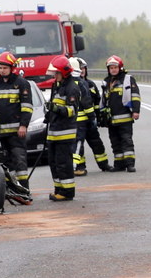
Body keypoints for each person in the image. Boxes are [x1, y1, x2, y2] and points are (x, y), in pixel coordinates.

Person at [0, 51, 34, 188]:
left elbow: (27, 107)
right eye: (0, 67)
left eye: (5, 68)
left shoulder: (22, 83)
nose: (2, 70)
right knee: (5, 164)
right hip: (0, 134)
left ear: (12, 68)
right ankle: (11, 190)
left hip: (17, 133)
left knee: (20, 163)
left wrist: (23, 125)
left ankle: (24, 190)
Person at [44, 56, 79, 201]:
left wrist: (56, 109)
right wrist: (49, 115)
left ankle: (67, 192)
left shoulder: (72, 88)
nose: (54, 76)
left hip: (64, 134)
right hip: (54, 133)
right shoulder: (57, 85)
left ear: (64, 72)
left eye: (56, 73)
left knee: (64, 163)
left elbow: (72, 111)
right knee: (54, 163)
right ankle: (58, 189)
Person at [70, 57, 112, 174]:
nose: (82, 70)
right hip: (79, 121)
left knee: (97, 143)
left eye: (83, 68)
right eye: (80, 68)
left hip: (90, 120)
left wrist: (98, 118)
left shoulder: (90, 84)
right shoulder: (73, 84)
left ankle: (104, 165)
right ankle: (80, 167)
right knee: (79, 145)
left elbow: (97, 102)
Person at [102, 55, 141, 172]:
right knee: (115, 142)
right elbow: (103, 100)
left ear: (120, 68)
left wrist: (136, 111)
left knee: (126, 141)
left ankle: (130, 164)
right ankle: (119, 164)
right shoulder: (106, 81)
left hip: (125, 118)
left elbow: (135, 95)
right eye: (111, 68)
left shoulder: (128, 79)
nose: (113, 69)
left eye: (115, 67)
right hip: (112, 120)